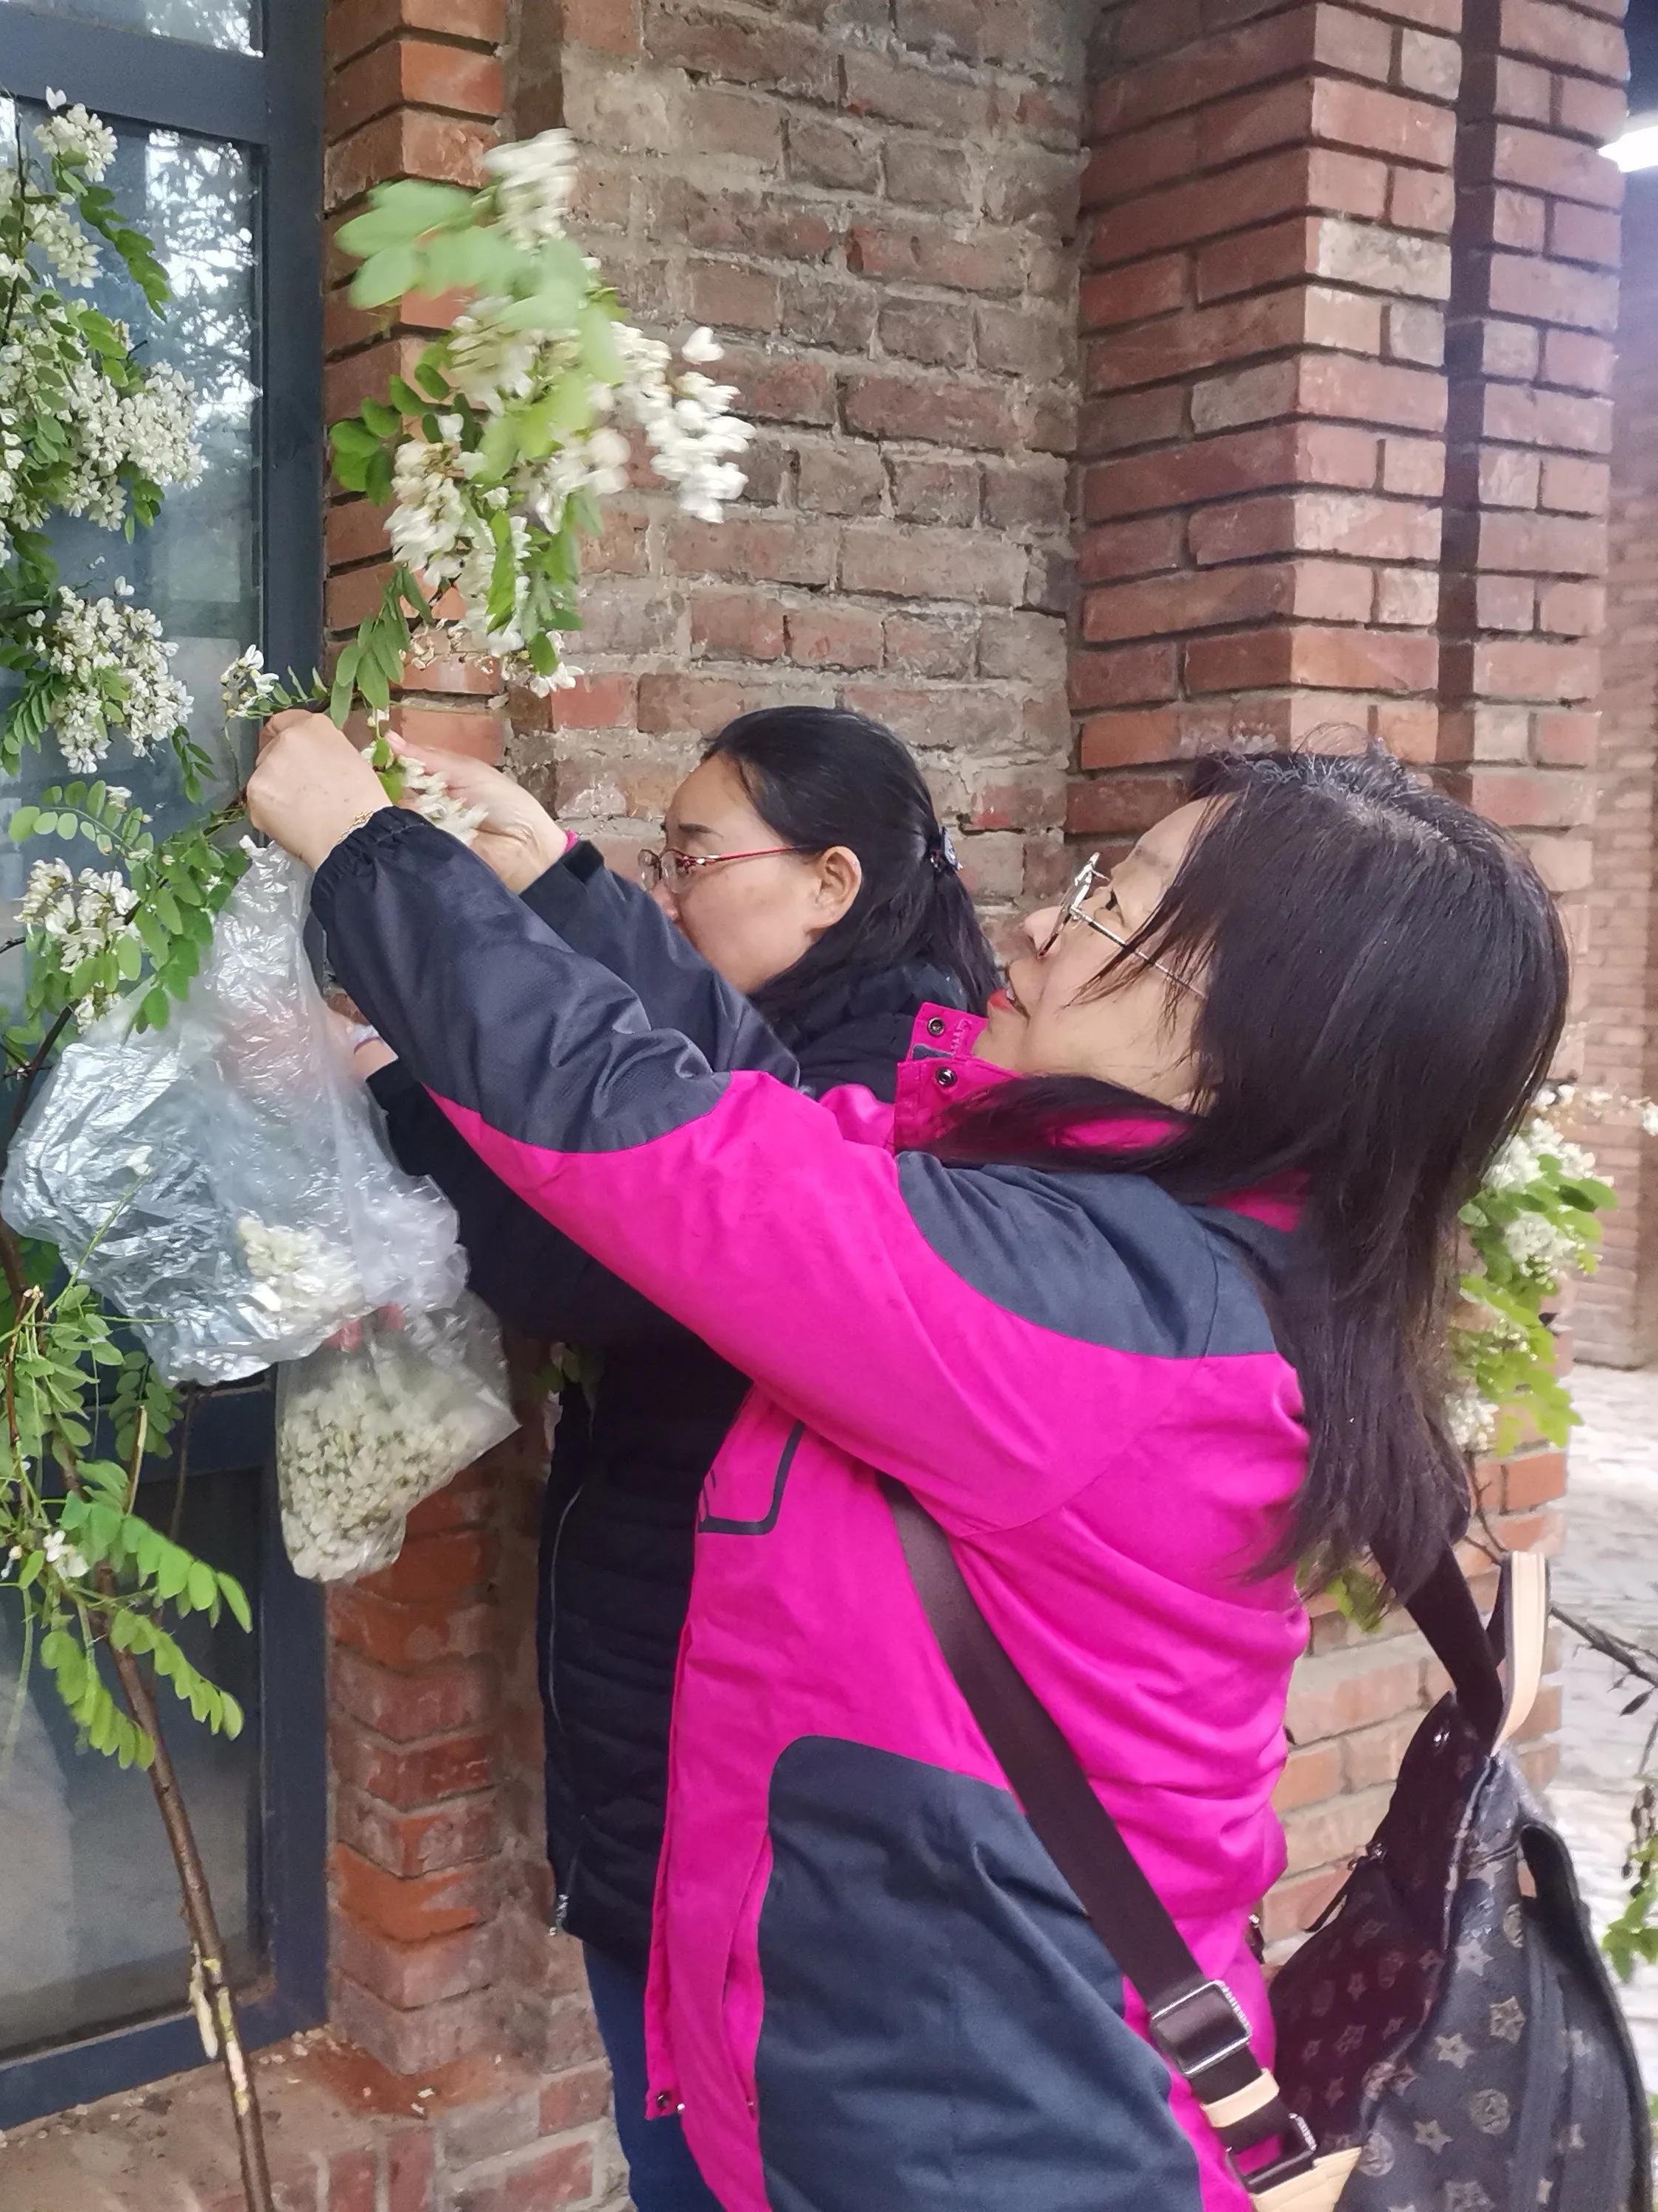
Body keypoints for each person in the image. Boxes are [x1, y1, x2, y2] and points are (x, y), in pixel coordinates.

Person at [250, 714, 1563, 2212]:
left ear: (1247, 1045)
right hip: (928, 2080)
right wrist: (556, 888)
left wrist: (374, 858)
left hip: (976, 2140)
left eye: (1107, 912)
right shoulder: (1161, 1252)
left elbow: (675, 1152)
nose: (1034, 924)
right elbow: (792, 1127)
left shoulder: (1097, 1318)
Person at [353, 710, 997, 2212]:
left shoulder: (877, 1091)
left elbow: (581, 1244)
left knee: (711, 2161)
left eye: (693, 856)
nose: (671, 894)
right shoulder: (842, 1041)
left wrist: (387, 1068)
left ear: (828, 881)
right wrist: (548, 877)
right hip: (710, 1731)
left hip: (739, 1759)